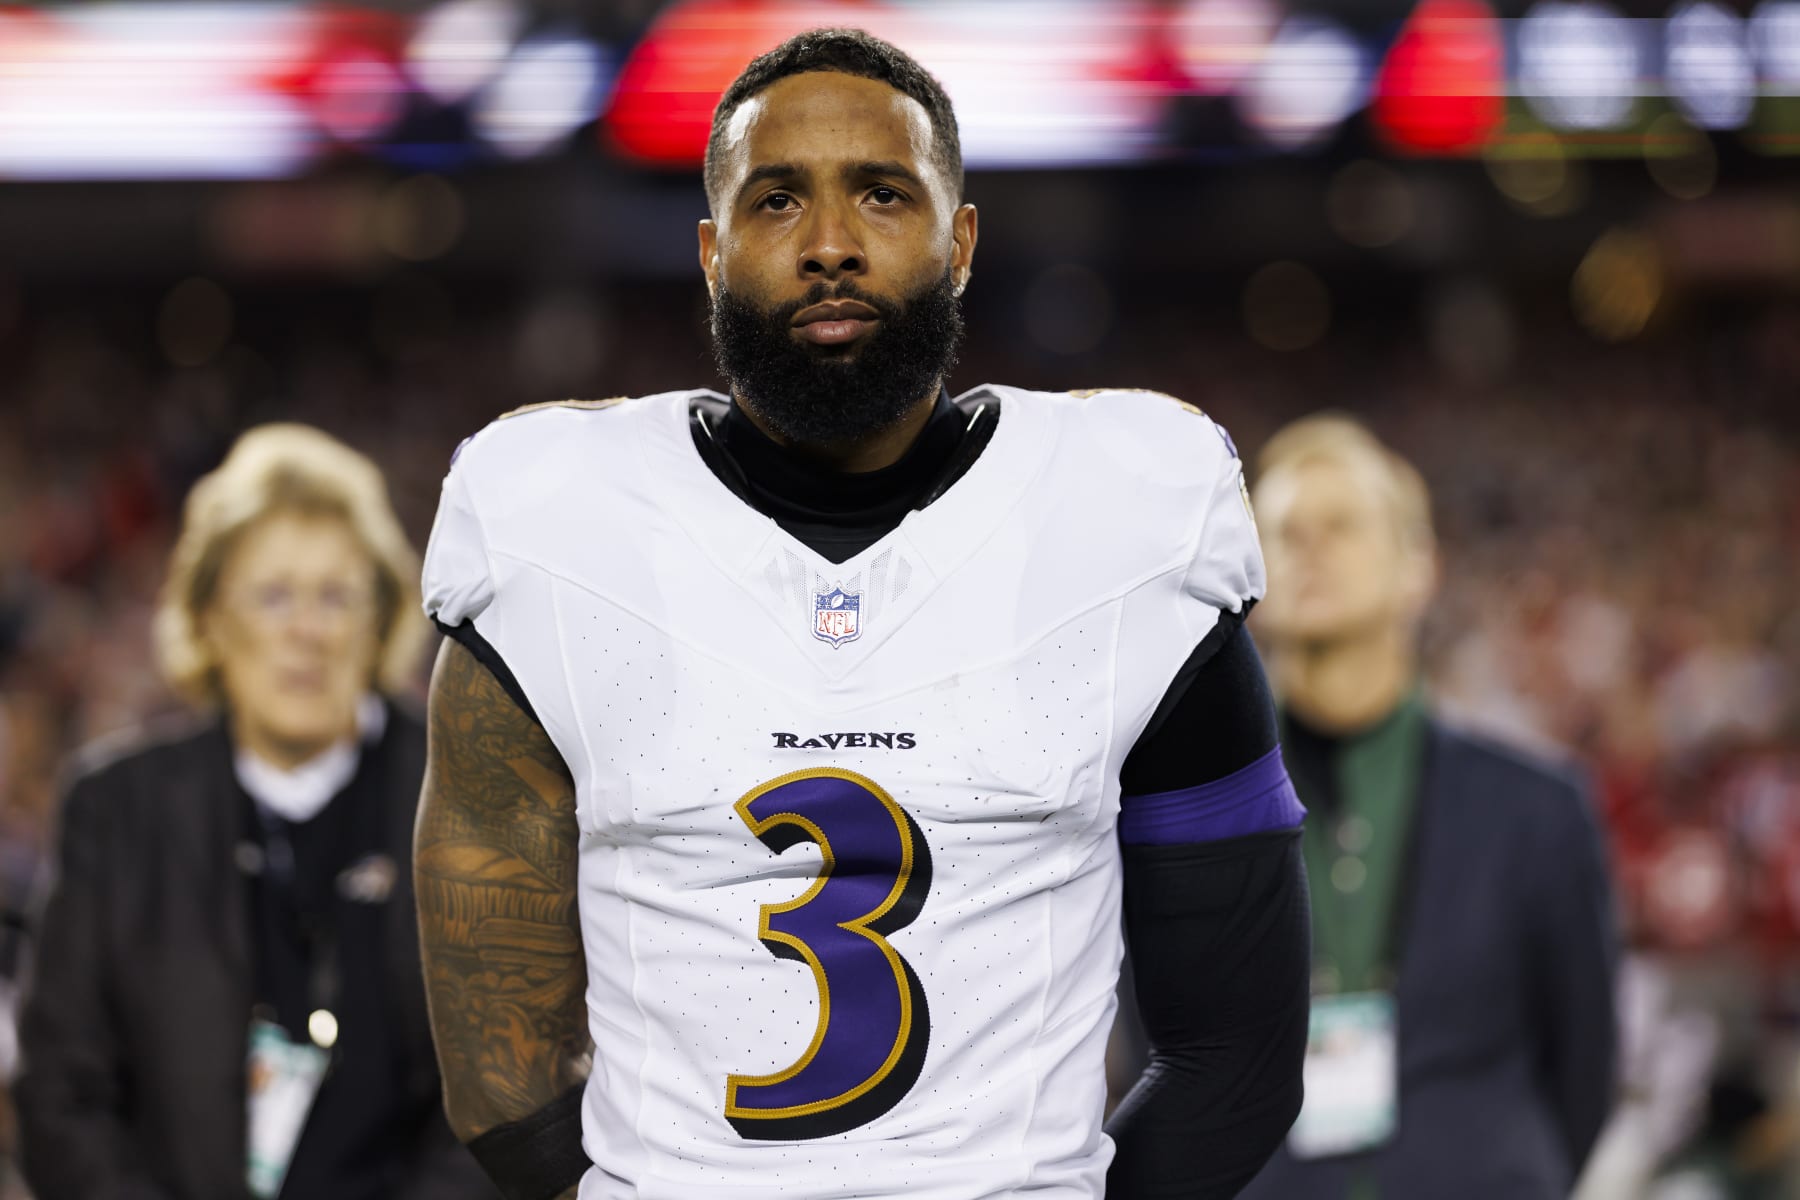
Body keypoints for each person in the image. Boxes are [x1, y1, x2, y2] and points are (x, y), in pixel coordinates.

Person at [415, 28, 1311, 1200]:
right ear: (711, 253)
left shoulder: (1130, 520)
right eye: (776, 201)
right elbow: (500, 1065)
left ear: (962, 239)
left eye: (883, 195)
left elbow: (1235, 1055)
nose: (829, 245)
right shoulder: (554, 525)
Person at [14, 426, 493, 1200]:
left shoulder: (468, 801)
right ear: (209, 618)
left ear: (379, 619)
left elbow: (508, 1099)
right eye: (273, 595)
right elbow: (61, 1098)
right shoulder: (114, 810)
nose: (306, 630)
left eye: (336, 595)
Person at [1237, 413, 1619, 1200]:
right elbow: (1162, 1050)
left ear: (1419, 566)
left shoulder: (1539, 812)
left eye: (1342, 525)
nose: (1311, 547)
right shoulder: (1185, 814)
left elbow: (1586, 1067)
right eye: (1284, 530)